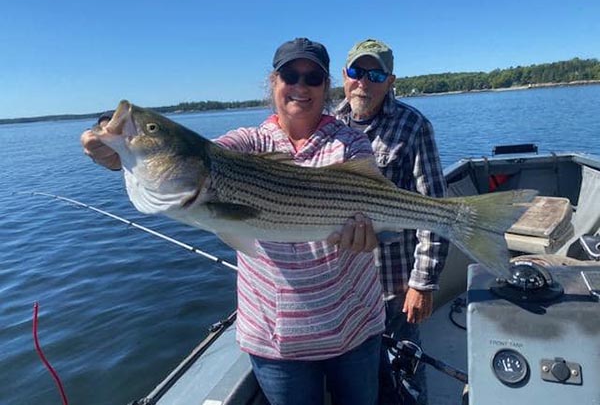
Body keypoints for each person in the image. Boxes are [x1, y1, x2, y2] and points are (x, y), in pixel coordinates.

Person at [81, 37, 386, 405]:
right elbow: (201, 152)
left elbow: (370, 217)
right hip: (276, 344)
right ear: (274, 82)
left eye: (313, 78)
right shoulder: (247, 141)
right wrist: (116, 151)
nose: (301, 86)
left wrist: (367, 239)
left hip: (354, 328)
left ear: (326, 86)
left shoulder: (349, 141)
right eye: (291, 75)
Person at [335, 39, 449, 405]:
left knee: (407, 378)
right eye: (356, 72)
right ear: (344, 76)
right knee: (356, 384)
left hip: (393, 285)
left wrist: (423, 283)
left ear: (391, 81)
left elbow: (434, 207)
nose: (363, 82)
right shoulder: (328, 125)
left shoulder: (413, 125)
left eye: (375, 74)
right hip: (340, 289)